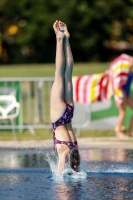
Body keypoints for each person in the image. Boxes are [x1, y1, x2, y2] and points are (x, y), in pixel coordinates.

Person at [50, 20, 80, 174]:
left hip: (68, 113)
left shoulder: (75, 151)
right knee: (59, 75)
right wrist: (60, 178)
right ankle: (59, 38)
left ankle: (66, 39)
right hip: (60, 117)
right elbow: (60, 172)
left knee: (67, 75)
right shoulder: (66, 151)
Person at [112, 54, 133, 138]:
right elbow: (118, 82)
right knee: (122, 112)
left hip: (127, 94)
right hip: (121, 93)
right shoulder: (123, 69)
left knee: (123, 112)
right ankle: (118, 132)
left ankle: (130, 130)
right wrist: (120, 93)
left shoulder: (129, 70)